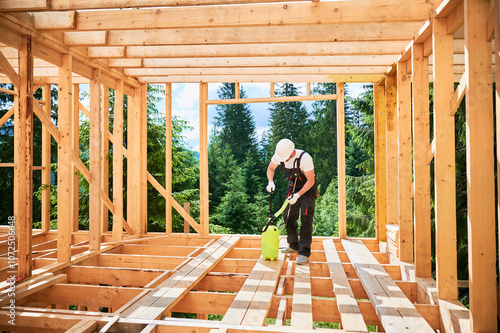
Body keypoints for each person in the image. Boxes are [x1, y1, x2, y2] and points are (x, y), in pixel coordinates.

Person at [266, 138, 318, 265]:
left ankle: (304, 253)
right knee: (288, 216)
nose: (282, 161)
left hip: (308, 189)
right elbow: (270, 169)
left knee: (306, 218)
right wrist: (270, 182)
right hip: (293, 187)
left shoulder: (305, 158)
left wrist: (298, 195)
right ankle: (293, 245)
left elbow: (310, 180)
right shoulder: (279, 156)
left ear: (292, 153)